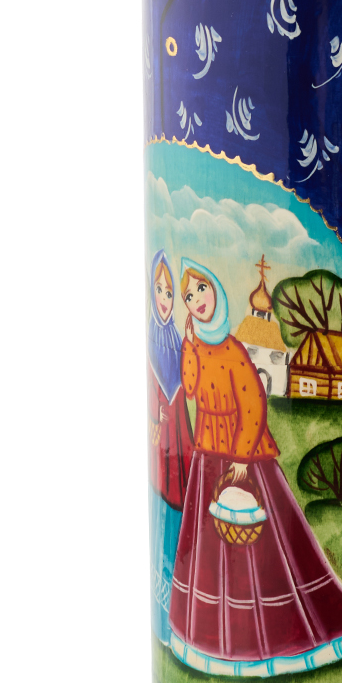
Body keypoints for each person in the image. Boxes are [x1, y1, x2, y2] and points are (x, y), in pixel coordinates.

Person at [168, 258, 342, 676]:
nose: (196, 300)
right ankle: (210, 643)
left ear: (215, 292)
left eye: (202, 289)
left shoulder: (234, 350)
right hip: (208, 456)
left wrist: (242, 461)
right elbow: (190, 388)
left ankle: (285, 641)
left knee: (270, 552)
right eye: (188, 296)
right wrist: (187, 346)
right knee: (209, 553)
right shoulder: (199, 347)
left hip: (245, 459)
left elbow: (254, 404)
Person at [147, 252, 193, 643]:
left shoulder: (175, 338)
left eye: (168, 292)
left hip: (182, 438)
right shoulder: (151, 339)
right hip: (163, 446)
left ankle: (184, 605)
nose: (164, 299)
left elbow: (188, 383)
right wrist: (154, 419)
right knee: (165, 511)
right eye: (159, 291)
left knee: (184, 507)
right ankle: (168, 612)